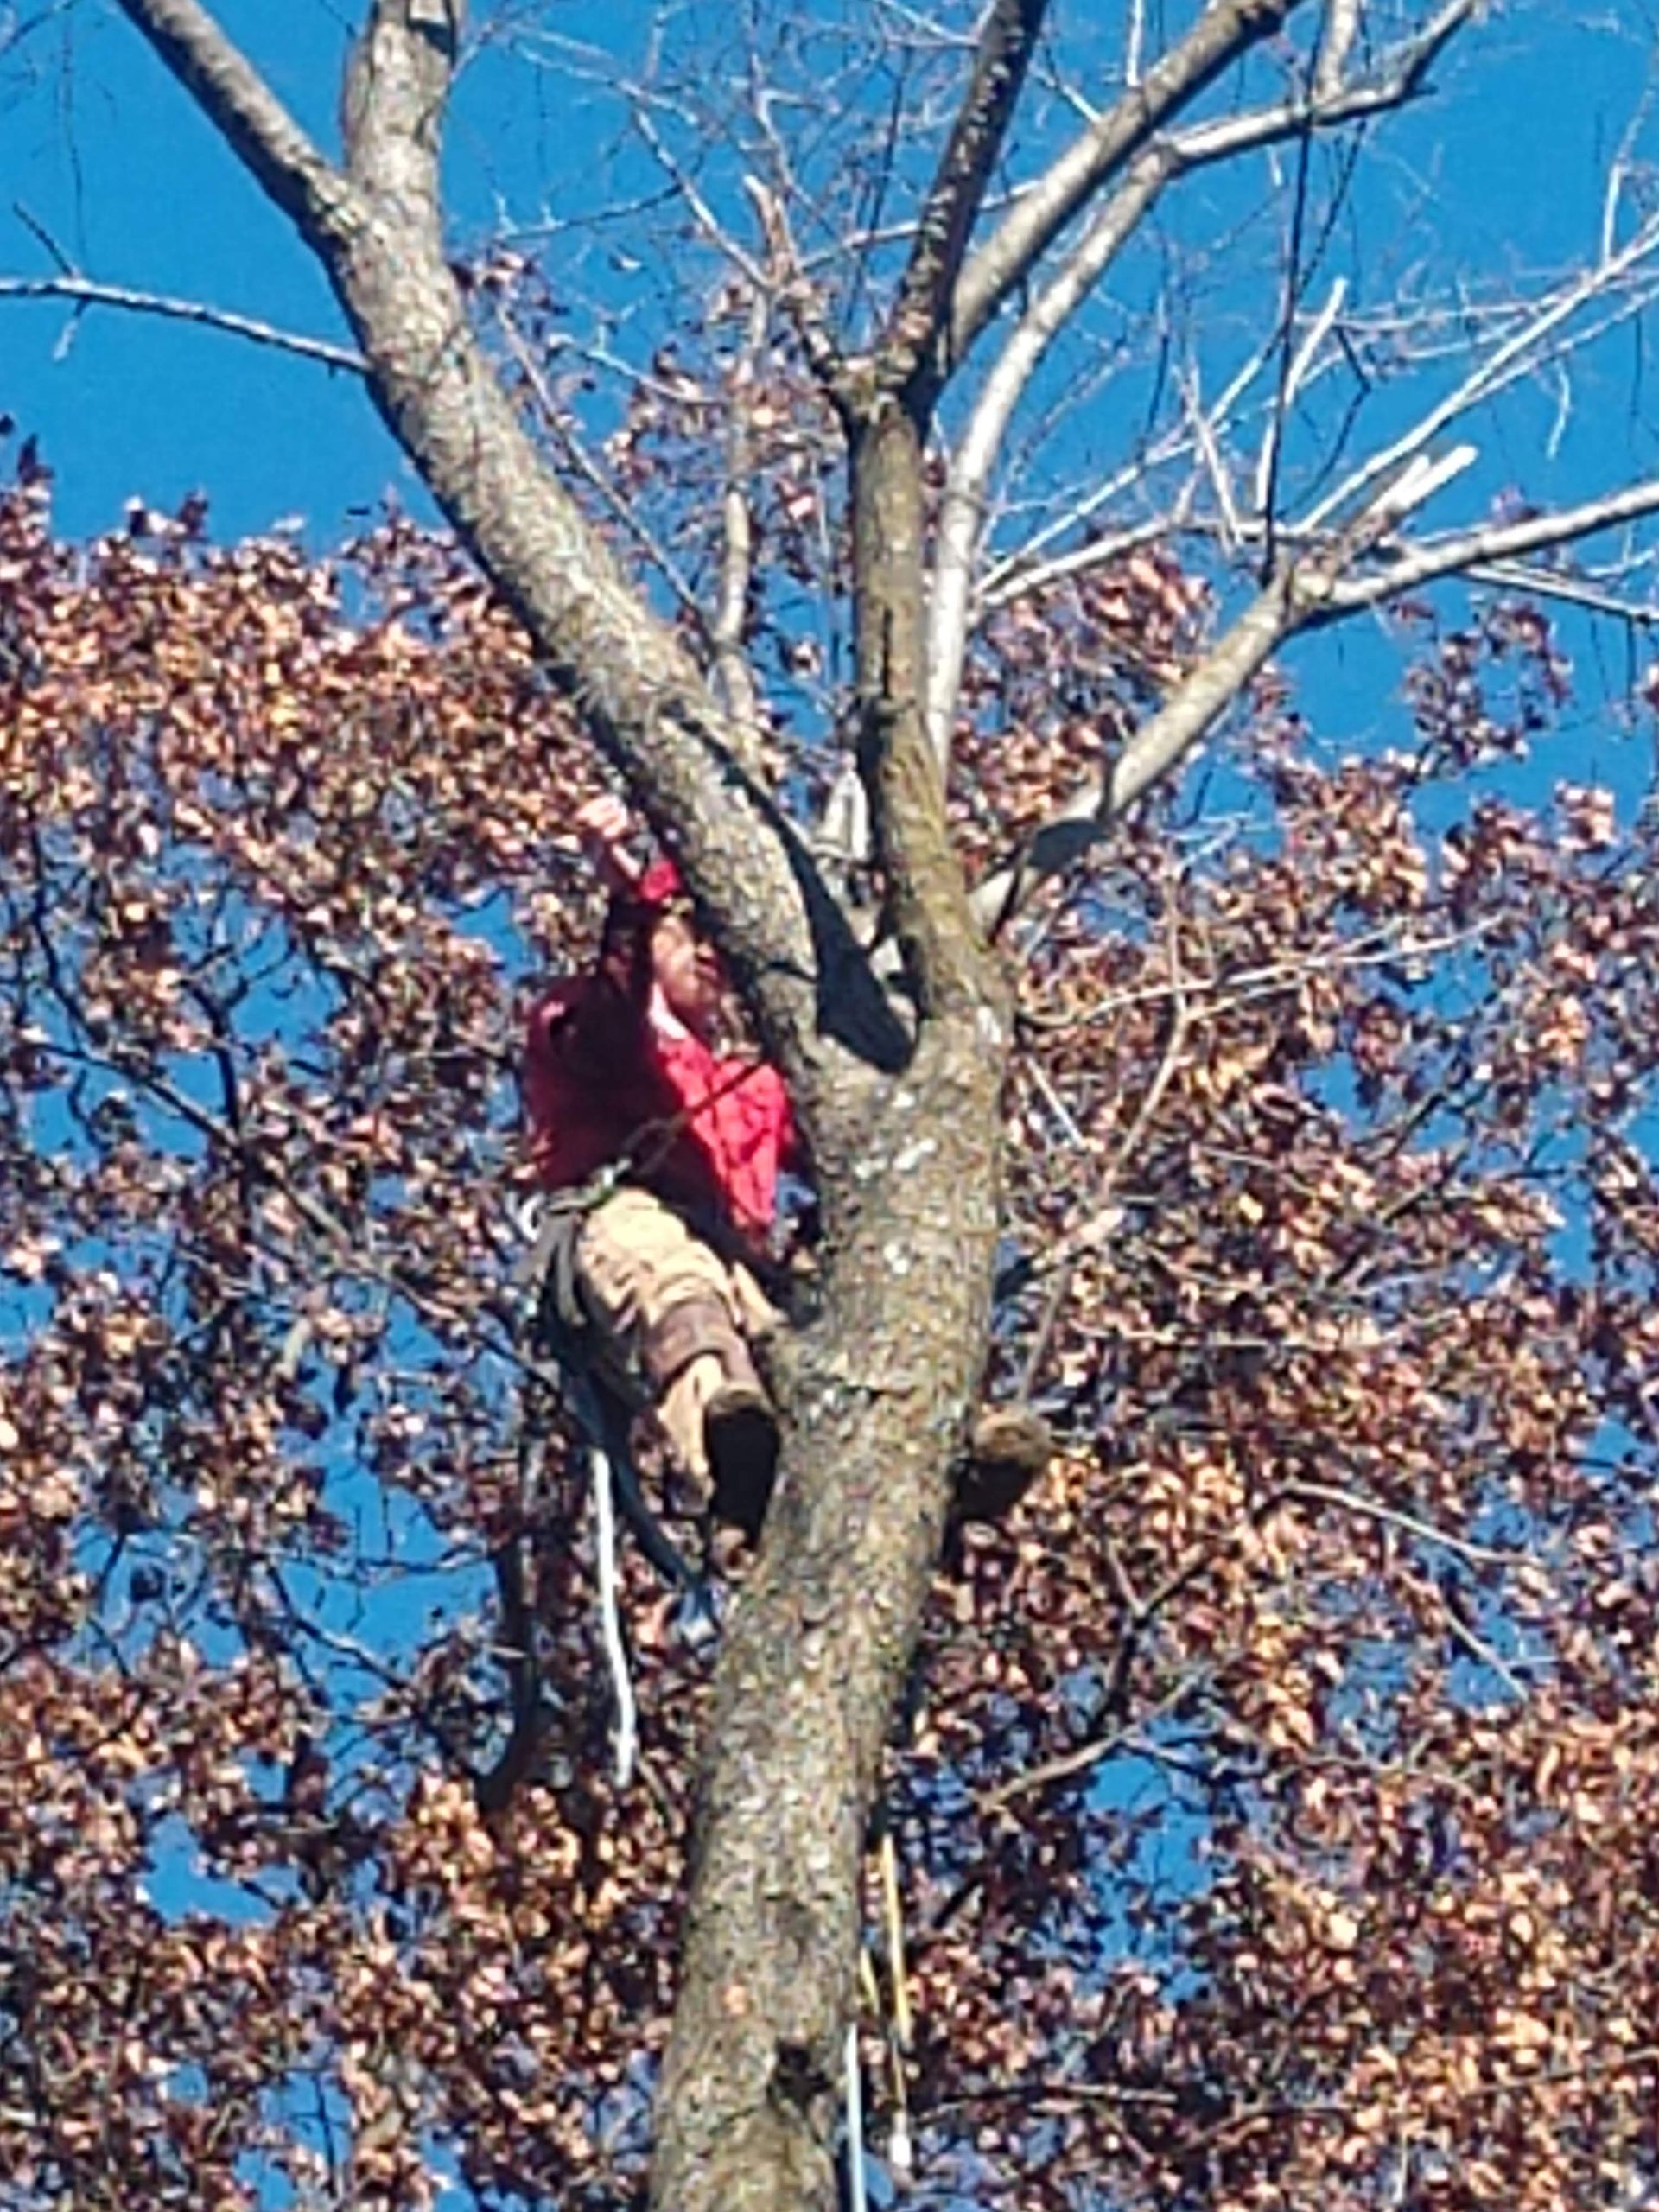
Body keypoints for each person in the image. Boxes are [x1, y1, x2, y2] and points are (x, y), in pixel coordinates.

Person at [524, 797, 796, 1542]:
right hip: (631, 1217)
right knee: (681, 1290)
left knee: (821, 1351)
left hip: (741, 1261)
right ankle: (729, 1459)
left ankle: (933, 1464)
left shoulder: (755, 1087)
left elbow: (855, 1131)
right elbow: (605, 1032)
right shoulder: (580, 1011)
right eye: (692, 929)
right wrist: (630, 900)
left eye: (725, 942)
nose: (710, 953)